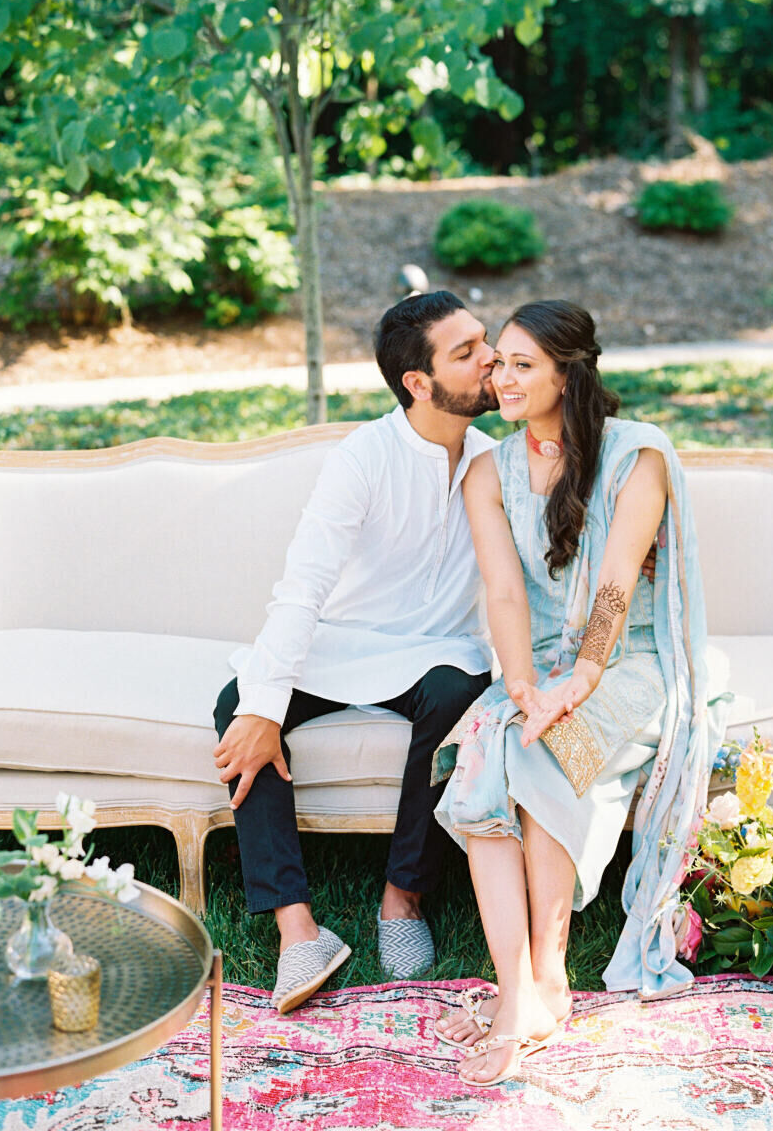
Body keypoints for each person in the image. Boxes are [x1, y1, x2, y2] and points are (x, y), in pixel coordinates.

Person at [431, 300, 728, 1087]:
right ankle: (516, 987)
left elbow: (615, 589)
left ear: (569, 372)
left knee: (538, 755)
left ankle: (551, 977)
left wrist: (578, 684)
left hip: (630, 663)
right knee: (487, 753)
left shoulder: (640, 458)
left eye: (523, 364)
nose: (501, 377)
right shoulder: (488, 470)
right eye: (498, 362)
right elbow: (503, 593)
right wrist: (523, 685)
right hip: (541, 666)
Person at [212, 290, 498, 1013]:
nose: (490, 357)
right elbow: (303, 589)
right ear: (419, 384)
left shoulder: (500, 463)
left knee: (458, 693)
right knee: (239, 704)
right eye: (467, 352)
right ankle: (298, 928)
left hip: (438, 652)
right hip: (343, 645)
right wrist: (264, 707)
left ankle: (401, 897)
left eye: (485, 340)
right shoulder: (362, 459)